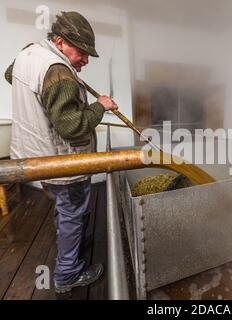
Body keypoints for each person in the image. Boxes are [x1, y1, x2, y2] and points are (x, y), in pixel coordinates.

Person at [4, 11, 117, 294]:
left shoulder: (29, 55)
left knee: (65, 209)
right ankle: (67, 274)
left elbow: (10, 74)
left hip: (35, 157)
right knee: (72, 211)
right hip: (61, 160)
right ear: (60, 41)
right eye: (82, 52)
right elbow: (73, 127)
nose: (86, 60)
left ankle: (71, 244)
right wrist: (100, 106)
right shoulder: (59, 72)